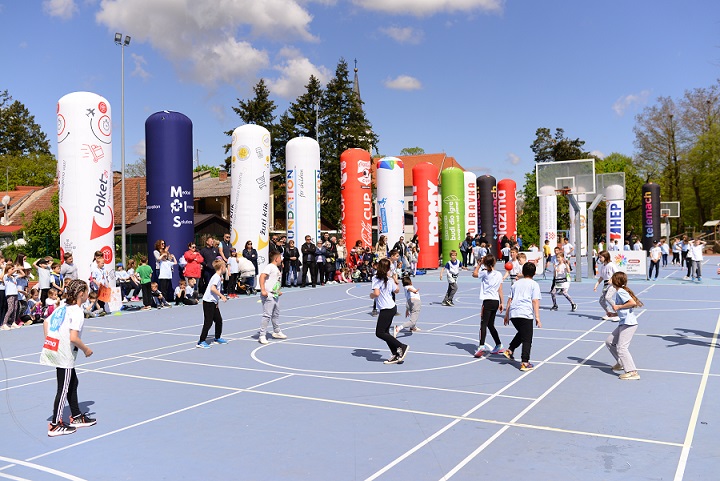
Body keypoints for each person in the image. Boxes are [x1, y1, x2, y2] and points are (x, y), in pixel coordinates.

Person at [40, 279, 96, 437]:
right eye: (86, 291)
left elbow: (46, 322)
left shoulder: (63, 307)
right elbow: (73, 337)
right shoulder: (77, 311)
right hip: (64, 353)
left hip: (57, 349)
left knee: (73, 382)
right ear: (81, 294)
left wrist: (50, 341)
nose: (87, 294)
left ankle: (77, 416)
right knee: (63, 388)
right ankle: (55, 425)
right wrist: (86, 349)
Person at [503, 262, 542, 372]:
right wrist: (537, 317)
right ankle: (525, 362)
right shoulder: (534, 284)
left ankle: (510, 350)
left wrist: (507, 315)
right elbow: (535, 301)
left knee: (522, 333)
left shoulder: (516, 284)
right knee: (527, 338)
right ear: (534, 273)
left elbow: (510, 299)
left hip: (514, 313)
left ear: (522, 272)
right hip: (525, 313)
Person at [370, 258, 409, 364]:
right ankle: (396, 354)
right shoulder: (389, 279)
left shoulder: (376, 278)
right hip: (392, 307)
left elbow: (376, 293)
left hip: (386, 308)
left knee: (379, 332)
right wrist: (395, 281)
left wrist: (371, 295)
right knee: (385, 332)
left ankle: (401, 346)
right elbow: (396, 290)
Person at [606, 272, 643, 380]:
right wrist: (614, 314)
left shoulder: (621, 292)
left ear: (615, 281)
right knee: (609, 342)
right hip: (624, 322)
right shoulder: (620, 291)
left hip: (629, 324)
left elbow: (632, 303)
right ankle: (620, 362)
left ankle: (632, 372)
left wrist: (618, 306)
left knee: (622, 348)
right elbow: (624, 309)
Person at [472, 254, 505, 357]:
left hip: (487, 301)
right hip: (495, 301)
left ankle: (481, 345)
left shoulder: (485, 273)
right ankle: (499, 345)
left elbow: (474, 274)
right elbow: (500, 289)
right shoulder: (499, 274)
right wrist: (502, 302)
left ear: (485, 263)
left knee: (483, 324)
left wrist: (479, 264)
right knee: (490, 324)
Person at [196, 259, 228, 349]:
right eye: (225, 267)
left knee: (218, 320)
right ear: (222, 268)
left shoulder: (218, 277)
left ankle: (217, 338)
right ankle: (201, 341)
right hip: (208, 302)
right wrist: (222, 296)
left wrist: (217, 301)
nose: (226, 268)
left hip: (213, 302)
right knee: (208, 322)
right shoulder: (216, 277)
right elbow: (212, 289)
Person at [257, 251, 287, 345]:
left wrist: (278, 291)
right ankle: (262, 335)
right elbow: (262, 276)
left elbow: (274, 281)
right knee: (267, 315)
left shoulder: (276, 268)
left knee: (276, 314)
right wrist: (263, 290)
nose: (281, 260)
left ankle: (277, 331)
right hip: (268, 294)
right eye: (280, 258)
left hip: (275, 294)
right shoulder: (269, 266)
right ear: (276, 259)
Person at [594, 250, 618, 321]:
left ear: (605, 257)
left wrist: (611, 280)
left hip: (613, 284)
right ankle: (609, 313)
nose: (599, 259)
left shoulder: (611, 265)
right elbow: (601, 277)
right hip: (605, 285)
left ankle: (618, 313)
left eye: (601, 257)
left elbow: (617, 274)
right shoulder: (602, 267)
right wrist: (596, 285)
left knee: (608, 297)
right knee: (601, 301)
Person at [1, 262, 21, 330]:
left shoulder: (13, 277)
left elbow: (23, 274)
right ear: (7, 269)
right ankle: (4, 323)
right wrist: (15, 269)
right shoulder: (6, 276)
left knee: (15, 309)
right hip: (10, 294)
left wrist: (19, 269)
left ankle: (13, 322)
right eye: (11, 269)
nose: (12, 270)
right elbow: (9, 273)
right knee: (10, 309)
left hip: (15, 294)